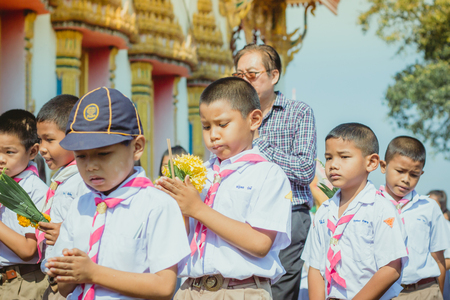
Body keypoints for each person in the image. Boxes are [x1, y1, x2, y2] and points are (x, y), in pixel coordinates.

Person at [45, 87, 190, 300]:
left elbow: (164, 285)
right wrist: (68, 271)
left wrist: (93, 273)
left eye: (103, 154)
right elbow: (64, 288)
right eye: (81, 157)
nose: (91, 166)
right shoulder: (80, 206)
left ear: (137, 147)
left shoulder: (157, 205)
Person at [156, 77, 292, 300]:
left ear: (254, 120)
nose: (213, 135)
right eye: (206, 126)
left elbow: (259, 244)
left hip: (240, 290)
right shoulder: (200, 174)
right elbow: (179, 238)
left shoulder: (267, 174)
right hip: (190, 289)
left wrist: (197, 208)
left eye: (222, 124)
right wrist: (175, 204)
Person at [233, 44, 316, 300]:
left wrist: (259, 142)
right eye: (239, 75)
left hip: (288, 216)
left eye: (252, 74)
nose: (245, 80)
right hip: (241, 217)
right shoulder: (232, 116)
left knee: (277, 293)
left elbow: (305, 170)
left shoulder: (298, 112)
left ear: (274, 75)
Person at [302, 123, 408, 300]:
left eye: (344, 157)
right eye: (329, 157)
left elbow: (391, 268)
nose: (333, 165)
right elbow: (314, 267)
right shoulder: (324, 212)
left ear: (371, 162)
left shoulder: (380, 208)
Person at [378, 136, 450, 300]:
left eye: (414, 174)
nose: (406, 179)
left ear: (421, 174)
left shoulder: (429, 207)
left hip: (424, 291)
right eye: (400, 171)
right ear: (383, 166)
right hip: (382, 293)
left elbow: (438, 259)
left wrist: (436, 293)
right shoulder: (370, 205)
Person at [36, 94, 90, 299]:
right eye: (39, 140)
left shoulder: (82, 180)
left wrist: (65, 235)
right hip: (54, 282)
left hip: (72, 285)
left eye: (49, 140)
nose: (42, 148)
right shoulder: (61, 179)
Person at [0, 109, 49, 298]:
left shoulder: (35, 190)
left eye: (9, 152)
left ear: (33, 151)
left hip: (23, 284)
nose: (1, 159)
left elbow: (29, 250)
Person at [428, 190, 450, 300]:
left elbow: (448, 260)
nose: (429, 204)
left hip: (437, 279)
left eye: (434, 201)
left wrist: (426, 269)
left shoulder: (445, 226)